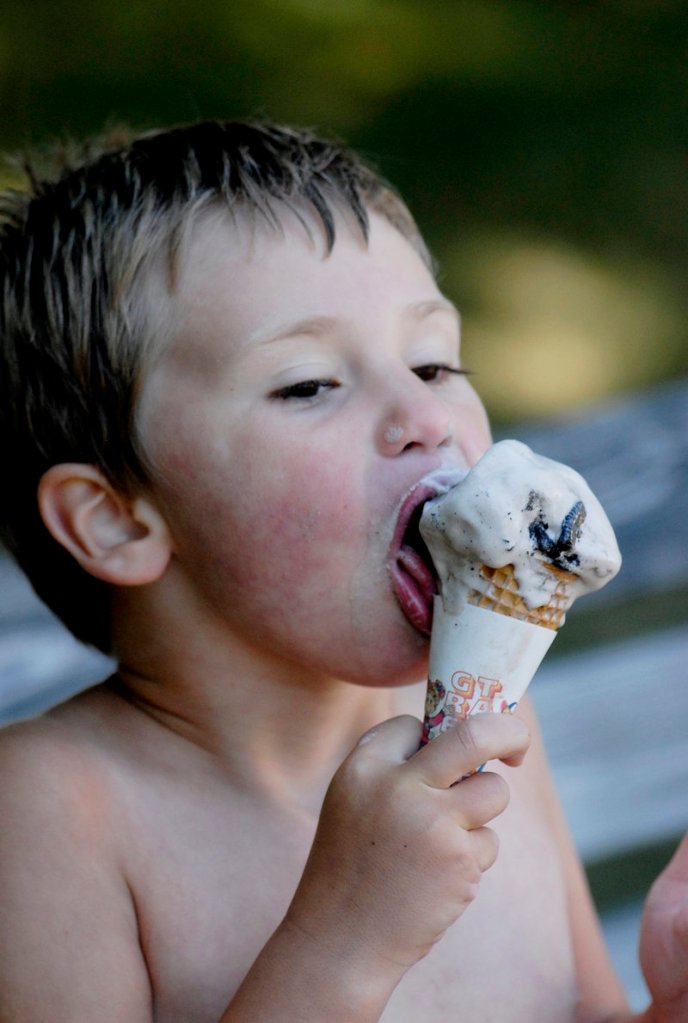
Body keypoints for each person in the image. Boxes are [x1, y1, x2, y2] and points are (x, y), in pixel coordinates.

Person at [0, 119, 685, 1023]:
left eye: (435, 361)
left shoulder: (485, 732)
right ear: (120, 520)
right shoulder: (52, 817)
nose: (424, 416)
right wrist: (345, 942)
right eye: (309, 383)